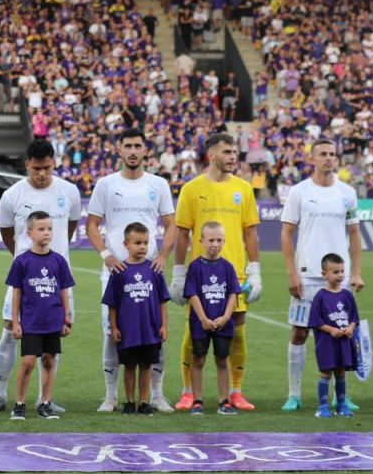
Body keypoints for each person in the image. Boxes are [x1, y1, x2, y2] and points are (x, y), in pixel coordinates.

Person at [0, 139, 81, 414]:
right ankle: (0, 395)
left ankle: (43, 399)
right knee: (9, 331)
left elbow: (70, 227)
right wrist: (22, 259)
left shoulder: (69, 192)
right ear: (27, 164)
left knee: (53, 336)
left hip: (57, 277)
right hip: (24, 277)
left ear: (54, 163)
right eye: (37, 168)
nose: (42, 174)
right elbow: (7, 233)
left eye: (47, 168)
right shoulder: (12, 195)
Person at [85, 129, 176, 413]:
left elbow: (172, 224)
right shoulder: (106, 184)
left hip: (150, 273)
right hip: (116, 274)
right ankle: (111, 396)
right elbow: (91, 224)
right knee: (111, 333)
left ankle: (157, 395)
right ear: (119, 150)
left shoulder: (158, 184)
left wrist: (162, 255)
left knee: (155, 333)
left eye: (138, 146)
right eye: (128, 146)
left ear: (146, 150)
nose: (133, 151)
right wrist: (106, 255)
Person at [170, 133, 260, 411]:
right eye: (227, 152)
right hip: (200, 275)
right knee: (194, 330)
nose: (233, 156)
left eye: (235, 152)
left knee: (237, 330)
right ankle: (188, 392)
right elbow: (182, 233)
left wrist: (254, 270)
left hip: (235, 275)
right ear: (212, 155)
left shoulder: (243, 188)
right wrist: (178, 272)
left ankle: (236, 391)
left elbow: (250, 232)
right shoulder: (191, 188)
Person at [280, 139, 363, 413]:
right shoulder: (299, 192)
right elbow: (286, 233)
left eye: (332, 154)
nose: (328, 158)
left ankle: (342, 396)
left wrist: (356, 272)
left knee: (342, 334)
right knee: (300, 332)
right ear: (312, 158)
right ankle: (294, 394)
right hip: (308, 276)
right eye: (323, 154)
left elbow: (354, 234)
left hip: (340, 277)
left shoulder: (347, 193)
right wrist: (292, 274)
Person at [4, 211, 74, 421]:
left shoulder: (58, 261)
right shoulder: (22, 261)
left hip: (53, 320)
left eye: (49, 229)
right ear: (30, 233)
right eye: (41, 229)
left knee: (50, 360)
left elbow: (63, 290)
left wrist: (67, 317)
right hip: (31, 323)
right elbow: (16, 292)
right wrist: (15, 321)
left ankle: (45, 403)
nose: (46, 233)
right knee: (27, 362)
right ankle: (19, 404)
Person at [104, 223, 171, 414]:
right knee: (130, 366)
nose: (142, 247)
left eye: (146, 243)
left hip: (150, 329)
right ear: (126, 244)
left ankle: (144, 402)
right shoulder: (119, 271)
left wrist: (164, 325)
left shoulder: (154, 270)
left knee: (146, 365)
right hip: (128, 330)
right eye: (137, 243)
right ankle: (130, 401)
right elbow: (112, 304)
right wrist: (114, 327)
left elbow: (162, 302)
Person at [183, 222, 240, 415]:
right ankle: (197, 401)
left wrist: (225, 317)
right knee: (198, 360)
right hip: (201, 324)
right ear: (201, 241)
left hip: (223, 324)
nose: (215, 244)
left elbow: (233, 293)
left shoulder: (227, 267)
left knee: (222, 360)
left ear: (224, 241)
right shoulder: (195, 267)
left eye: (219, 240)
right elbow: (193, 295)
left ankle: (224, 401)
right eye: (211, 240)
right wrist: (203, 319)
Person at [308, 253, 360, 419]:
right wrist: (330, 330)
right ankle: (322, 406)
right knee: (325, 373)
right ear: (324, 274)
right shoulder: (320, 296)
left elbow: (354, 318)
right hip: (326, 343)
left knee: (341, 373)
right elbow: (315, 321)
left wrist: (351, 328)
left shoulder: (347, 295)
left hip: (344, 342)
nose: (340, 275)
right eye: (335, 272)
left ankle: (341, 405)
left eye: (342, 271)